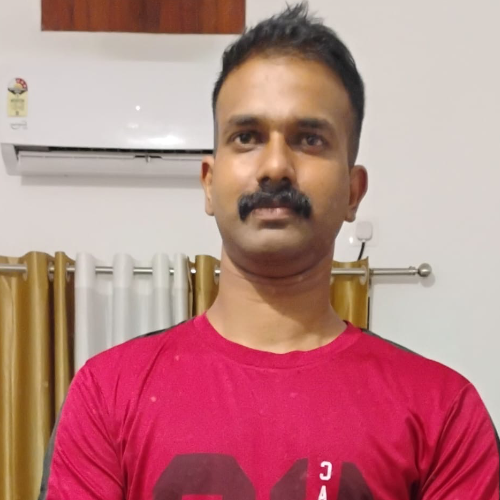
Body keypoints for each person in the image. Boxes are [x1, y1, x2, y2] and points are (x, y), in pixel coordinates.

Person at [39, 3, 499, 499]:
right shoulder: (107, 394)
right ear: (209, 183)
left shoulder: (444, 413)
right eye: (247, 137)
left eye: (309, 139)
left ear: (353, 191)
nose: (276, 166)